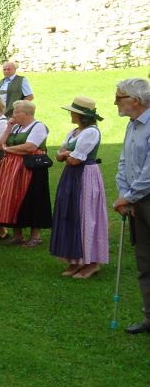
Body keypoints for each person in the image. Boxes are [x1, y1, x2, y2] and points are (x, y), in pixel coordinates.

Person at [50, 96, 108, 279]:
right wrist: (67, 154)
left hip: (85, 175)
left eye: (73, 112)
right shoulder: (74, 132)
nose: (71, 115)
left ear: (81, 115)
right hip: (71, 175)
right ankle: (75, 259)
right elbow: (59, 155)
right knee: (70, 213)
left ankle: (91, 262)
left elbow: (75, 160)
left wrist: (66, 154)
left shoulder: (91, 132)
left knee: (86, 214)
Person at [111, 78, 150, 334]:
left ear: (135, 101)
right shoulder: (131, 125)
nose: (115, 102)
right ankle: (149, 317)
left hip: (144, 197)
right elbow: (124, 162)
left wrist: (130, 196)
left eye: (119, 97)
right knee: (145, 261)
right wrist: (125, 194)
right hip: (137, 201)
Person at [0, 100, 52, 247]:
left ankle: (35, 236)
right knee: (12, 198)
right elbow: (0, 144)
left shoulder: (38, 126)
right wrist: (8, 128)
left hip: (31, 168)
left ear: (26, 113)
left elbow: (30, 147)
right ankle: (17, 235)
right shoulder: (16, 127)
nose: (13, 115)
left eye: (16, 112)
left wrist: (8, 150)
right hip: (12, 168)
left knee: (32, 198)